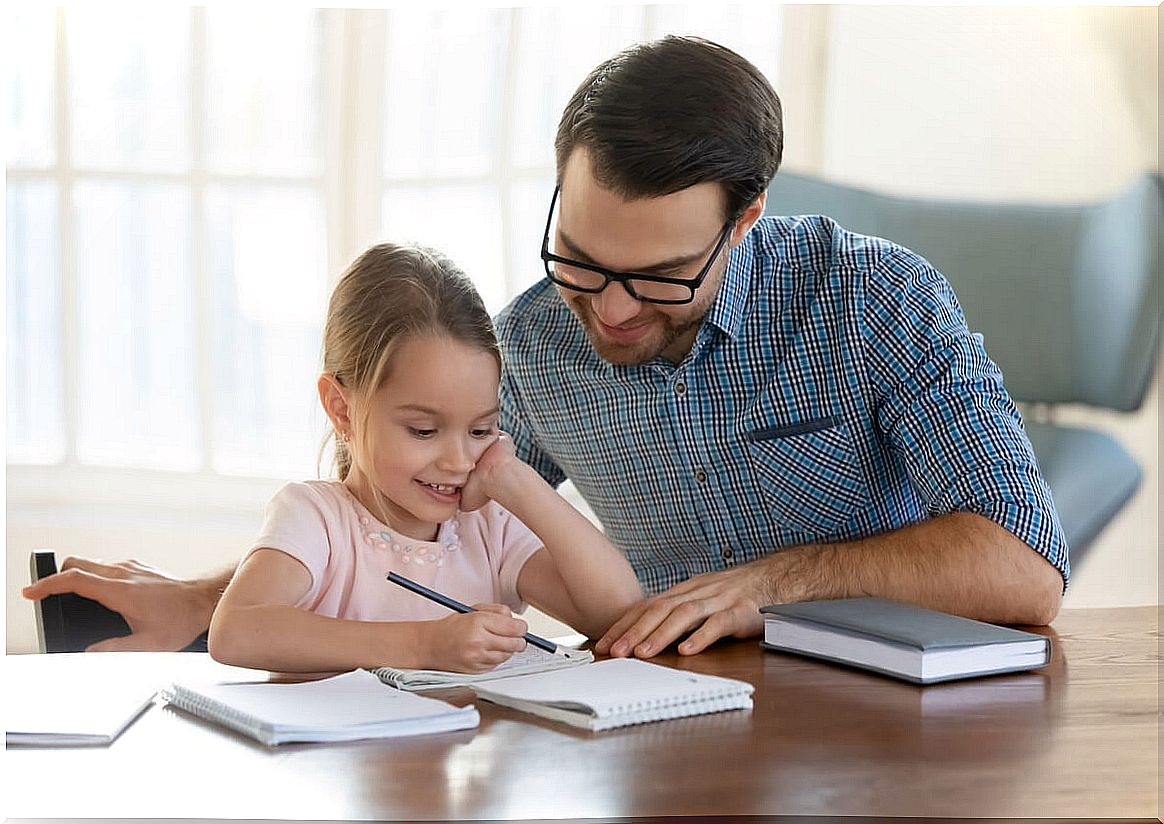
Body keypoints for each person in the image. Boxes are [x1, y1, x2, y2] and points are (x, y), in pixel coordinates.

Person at [23, 36, 1067, 659]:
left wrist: (765, 583)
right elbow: (410, 510)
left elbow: (1025, 567)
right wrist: (203, 601)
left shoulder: (873, 301)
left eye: (655, 278)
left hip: (888, 708)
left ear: (744, 222)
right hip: (670, 714)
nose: (607, 311)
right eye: (578, 256)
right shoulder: (528, 337)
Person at [232, 243, 645, 671]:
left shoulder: (489, 528)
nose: (459, 461)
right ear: (342, 409)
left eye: (481, 430)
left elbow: (619, 615)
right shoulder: (317, 520)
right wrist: (422, 645)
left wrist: (516, 479)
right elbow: (238, 631)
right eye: (424, 431)